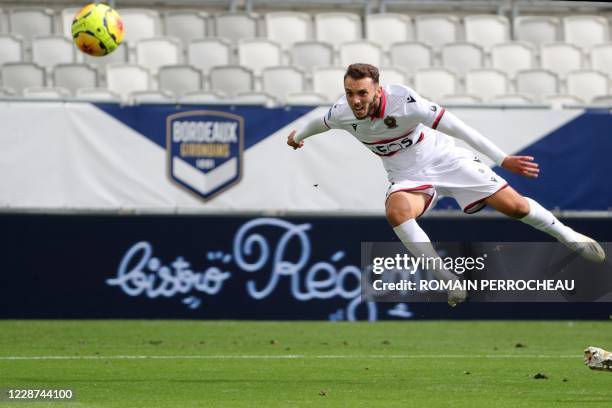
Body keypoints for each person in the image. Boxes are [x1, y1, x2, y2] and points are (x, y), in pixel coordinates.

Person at [286, 63, 605, 306]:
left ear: (378, 90)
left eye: (362, 93)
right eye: (350, 92)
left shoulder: (406, 102)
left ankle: (570, 236)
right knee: (397, 213)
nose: (355, 100)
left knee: (516, 207)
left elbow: (458, 127)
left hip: (446, 160)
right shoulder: (343, 113)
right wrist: (297, 137)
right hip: (407, 176)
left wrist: (502, 157)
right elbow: (319, 122)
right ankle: (448, 280)